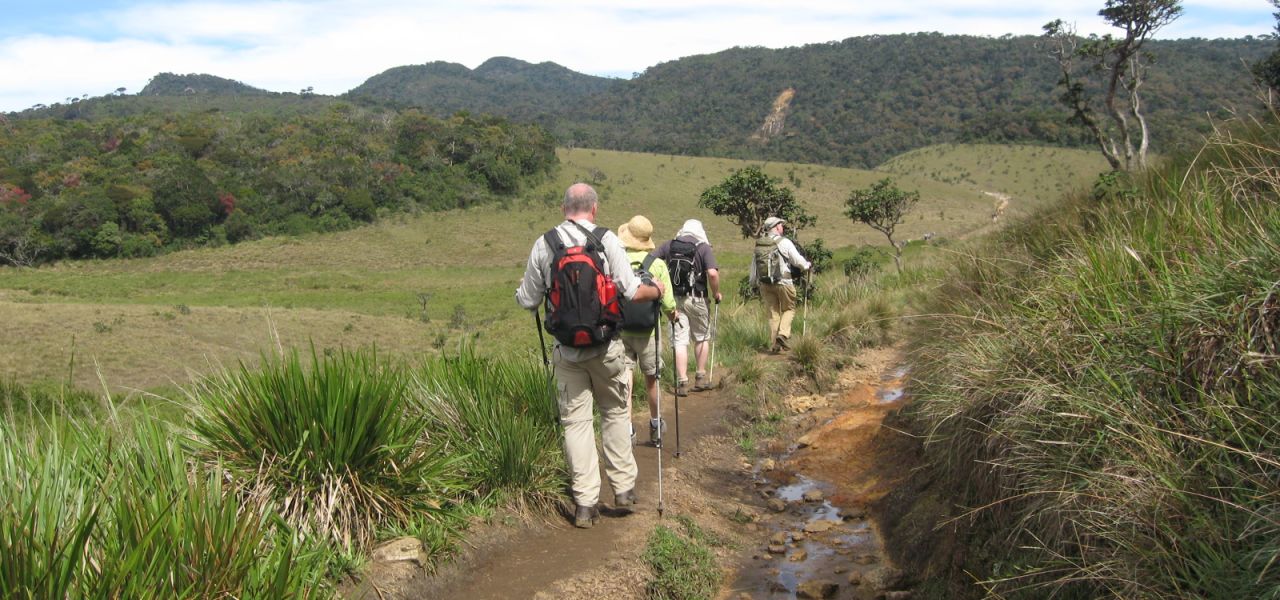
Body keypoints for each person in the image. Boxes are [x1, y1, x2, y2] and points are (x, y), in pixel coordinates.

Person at [515, 183, 664, 529]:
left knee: (576, 424)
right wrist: (656, 289)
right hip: (607, 345)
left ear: (563, 207)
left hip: (567, 351)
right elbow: (631, 291)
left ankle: (584, 504)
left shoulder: (545, 243)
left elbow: (527, 300)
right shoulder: (606, 239)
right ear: (593, 209)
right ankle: (624, 489)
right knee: (614, 411)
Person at [617, 215, 678, 448]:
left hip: (621, 331)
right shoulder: (658, 265)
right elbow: (668, 303)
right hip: (649, 333)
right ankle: (655, 426)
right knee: (652, 381)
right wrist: (673, 316)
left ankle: (627, 430)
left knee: (626, 382)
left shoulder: (618, 261)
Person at [653, 219, 722, 396]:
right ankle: (700, 378)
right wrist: (716, 293)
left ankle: (682, 382)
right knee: (701, 337)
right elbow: (713, 274)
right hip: (698, 299)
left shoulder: (669, 245)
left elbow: (649, 261)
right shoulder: (703, 247)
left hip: (674, 300)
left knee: (679, 340)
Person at [750, 216, 811, 353]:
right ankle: (783, 335)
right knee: (789, 309)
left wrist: (753, 282)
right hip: (784, 282)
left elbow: (754, 266)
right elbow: (797, 261)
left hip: (765, 284)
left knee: (773, 314)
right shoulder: (785, 242)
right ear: (776, 227)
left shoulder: (760, 244)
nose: (782, 227)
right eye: (781, 225)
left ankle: (774, 345)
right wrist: (806, 266)